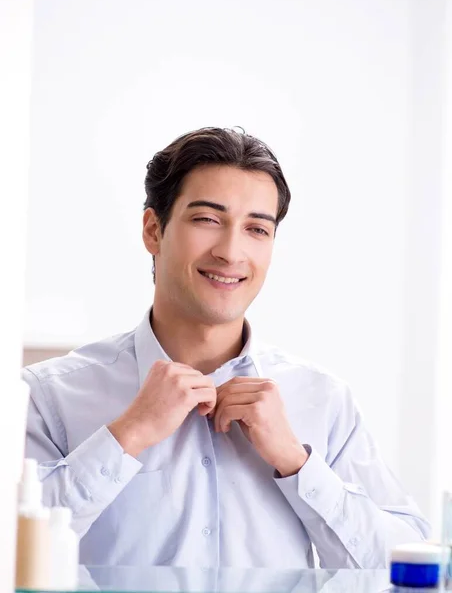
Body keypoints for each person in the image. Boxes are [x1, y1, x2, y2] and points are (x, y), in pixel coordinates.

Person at [22, 127, 429, 569]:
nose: (232, 252)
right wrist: (127, 436)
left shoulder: (324, 399)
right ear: (153, 230)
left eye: (256, 229)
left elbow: (406, 563)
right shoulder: (50, 395)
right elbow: (9, 550)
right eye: (207, 220)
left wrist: (297, 465)